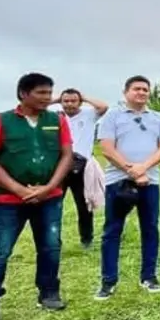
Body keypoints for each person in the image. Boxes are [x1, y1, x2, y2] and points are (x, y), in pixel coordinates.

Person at [0, 73, 74, 320]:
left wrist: (50, 186)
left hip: (49, 197)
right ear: (23, 94)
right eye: (41, 93)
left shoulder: (57, 120)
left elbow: (66, 155)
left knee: (51, 246)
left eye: (49, 93)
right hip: (7, 200)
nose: (47, 98)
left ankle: (49, 293)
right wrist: (18, 189)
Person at [94, 76, 160, 300]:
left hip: (150, 181)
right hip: (118, 181)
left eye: (145, 90)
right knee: (112, 231)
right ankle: (108, 281)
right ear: (126, 92)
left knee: (150, 229)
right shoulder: (112, 116)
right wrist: (132, 171)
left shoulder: (158, 118)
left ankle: (149, 276)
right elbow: (107, 149)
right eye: (137, 89)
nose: (142, 93)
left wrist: (143, 168)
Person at [55, 88, 108, 250]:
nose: (69, 104)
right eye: (66, 101)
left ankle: (87, 239)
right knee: (54, 206)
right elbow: (37, 106)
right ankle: (53, 241)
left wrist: (84, 97)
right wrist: (56, 100)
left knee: (85, 206)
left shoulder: (89, 114)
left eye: (73, 101)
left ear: (80, 102)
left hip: (82, 166)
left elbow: (103, 107)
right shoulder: (55, 117)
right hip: (59, 167)